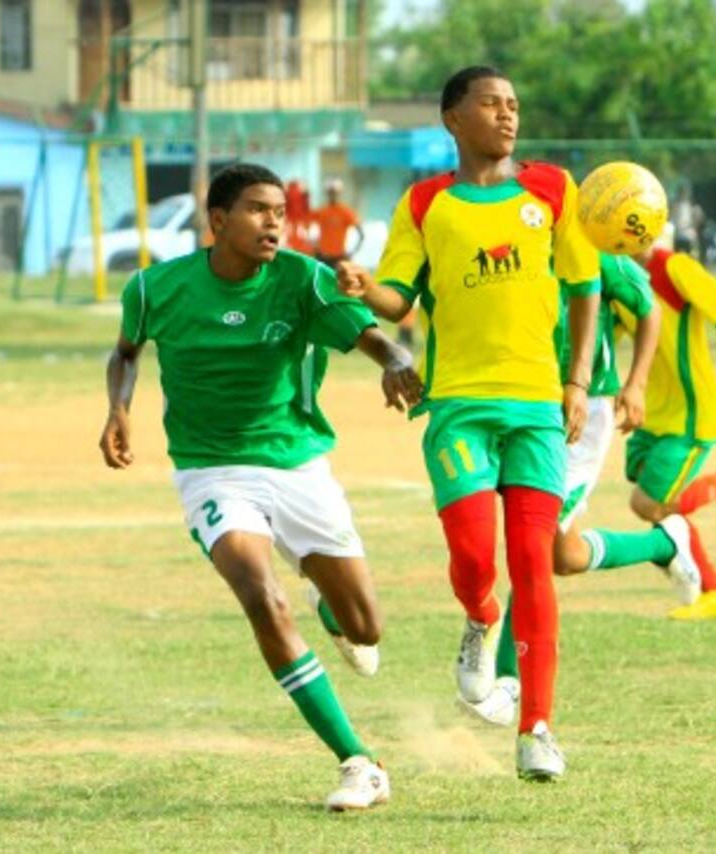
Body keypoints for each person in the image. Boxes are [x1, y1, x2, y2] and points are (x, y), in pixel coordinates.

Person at [97, 163, 422, 811]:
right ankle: (360, 762)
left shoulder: (302, 278)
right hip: (210, 468)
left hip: (297, 464)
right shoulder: (155, 288)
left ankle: (330, 608)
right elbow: (128, 352)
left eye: (278, 210)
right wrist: (118, 409)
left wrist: (400, 361)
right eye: (256, 209)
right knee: (259, 595)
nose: (274, 221)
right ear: (217, 221)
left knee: (367, 628)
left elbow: (366, 335)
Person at [336, 66, 600, 782]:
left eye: (514, 104)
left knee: (534, 565)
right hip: (455, 405)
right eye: (491, 104)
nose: (507, 115)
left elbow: (585, 286)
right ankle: (480, 617)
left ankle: (537, 728)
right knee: (477, 558)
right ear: (453, 118)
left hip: (537, 409)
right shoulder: (426, 203)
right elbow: (396, 299)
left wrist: (576, 382)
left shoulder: (551, 190)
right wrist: (366, 284)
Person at [464, 251, 713, 727]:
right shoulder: (510, 246)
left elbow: (650, 309)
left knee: (532, 539)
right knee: (564, 555)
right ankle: (664, 542)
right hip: (522, 405)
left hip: (584, 410)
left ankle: (509, 682)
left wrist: (635, 384)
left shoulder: (593, 252)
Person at [620, 241, 716, 620]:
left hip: (690, 415)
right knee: (656, 499)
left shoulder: (674, 268)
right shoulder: (615, 274)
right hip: (650, 413)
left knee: (649, 504)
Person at [312, 178, 364, 268]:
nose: (333, 195)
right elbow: (309, 230)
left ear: (339, 193)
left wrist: (352, 252)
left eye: (335, 192)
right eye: (330, 192)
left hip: (339, 258)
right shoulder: (321, 211)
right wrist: (315, 248)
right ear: (327, 193)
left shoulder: (346, 212)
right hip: (323, 257)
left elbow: (361, 234)